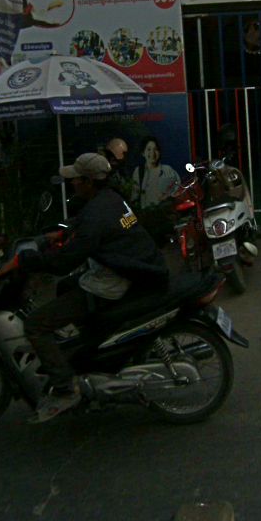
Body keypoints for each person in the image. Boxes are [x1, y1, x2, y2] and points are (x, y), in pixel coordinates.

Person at [20, 153, 168, 423]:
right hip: (127, 270)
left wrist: (34, 261)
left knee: (35, 324)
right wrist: (64, 232)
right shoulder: (112, 199)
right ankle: (86, 353)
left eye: (76, 179)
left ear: (89, 182)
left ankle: (65, 388)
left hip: (109, 284)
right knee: (66, 286)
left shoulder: (96, 214)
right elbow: (89, 228)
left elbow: (66, 261)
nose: (72, 183)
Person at [134, 136, 181, 209]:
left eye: (155, 149)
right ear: (143, 153)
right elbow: (134, 196)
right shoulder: (139, 171)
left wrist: (168, 197)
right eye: (149, 149)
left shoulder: (168, 170)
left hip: (165, 213)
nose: (152, 153)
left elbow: (178, 189)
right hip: (146, 214)